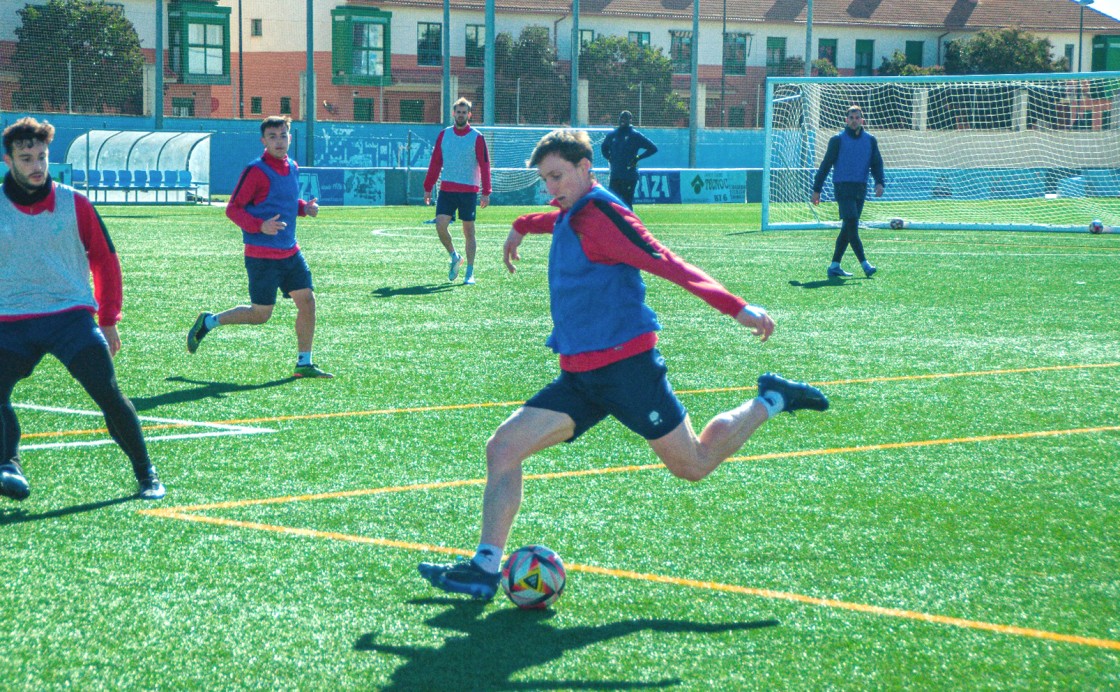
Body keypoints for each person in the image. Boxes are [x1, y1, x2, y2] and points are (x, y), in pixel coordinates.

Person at [418, 129, 828, 599]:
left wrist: (736, 307)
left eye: (557, 177)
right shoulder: (576, 210)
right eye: (545, 181)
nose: (551, 189)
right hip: (579, 376)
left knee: (693, 464)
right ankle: (485, 569)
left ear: (585, 168)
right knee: (503, 448)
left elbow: (664, 260)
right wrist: (523, 224)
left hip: (628, 371)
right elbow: (564, 221)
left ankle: (771, 399)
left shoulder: (607, 213)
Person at [0, 117, 165, 502]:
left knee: (107, 392)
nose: (37, 165)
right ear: (8, 161)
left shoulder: (76, 202)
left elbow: (106, 261)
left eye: (41, 156)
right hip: (9, 321)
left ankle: (146, 473)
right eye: (27, 158)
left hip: (70, 318)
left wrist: (108, 320)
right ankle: (9, 465)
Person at [187, 115, 332, 379]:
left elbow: (283, 201)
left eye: (283, 135)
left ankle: (304, 363)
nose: (279, 141)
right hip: (262, 257)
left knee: (308, 301)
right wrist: (259, 226)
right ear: (263, 141)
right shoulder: (255, 170)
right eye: (273, 137)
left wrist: (304, 208)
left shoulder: (293, 167)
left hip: (290, 252)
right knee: (260, 314)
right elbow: (233, 209)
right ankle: (209, 321)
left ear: (290, 137)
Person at [423, 97, 492, 285]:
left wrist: (486, 191)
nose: (461, 115)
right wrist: (428, 187)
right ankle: (454, 256)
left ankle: (470, 271)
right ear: (454, 113)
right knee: (440, 225)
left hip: (468, 191)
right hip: (447, 189)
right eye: (458, 112)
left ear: (469, 115)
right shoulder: (444, 135)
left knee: (469, 231)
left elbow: (485, 165)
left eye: (464, 112)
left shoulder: (477, 137)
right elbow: (435, 162)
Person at [811, 105, 885, 279]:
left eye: (857, 117)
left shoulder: (870, 140)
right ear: (846, 120)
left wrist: (879, 182)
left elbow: (876, 163)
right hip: (842, 187)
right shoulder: (837, 140)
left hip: (861, 188)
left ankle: (834, 265)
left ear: (862, 120)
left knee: (848, 228)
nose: (854, 120)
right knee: (852, 223)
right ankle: (865, 264)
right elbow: (826, 164)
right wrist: (817, 189)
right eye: (851, 118)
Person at [600, 110, 657, 209]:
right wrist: (609, 157)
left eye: (625, 118)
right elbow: (604, 147)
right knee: (612, 204)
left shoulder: (635, 135)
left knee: (627, 204)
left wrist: (638, 158)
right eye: (621, 117)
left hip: (629, 176)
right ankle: (615, 224)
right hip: (615, 175)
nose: (622, 120)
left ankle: (628, 224)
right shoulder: (612, 134)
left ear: (630, 120)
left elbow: (653, 148)